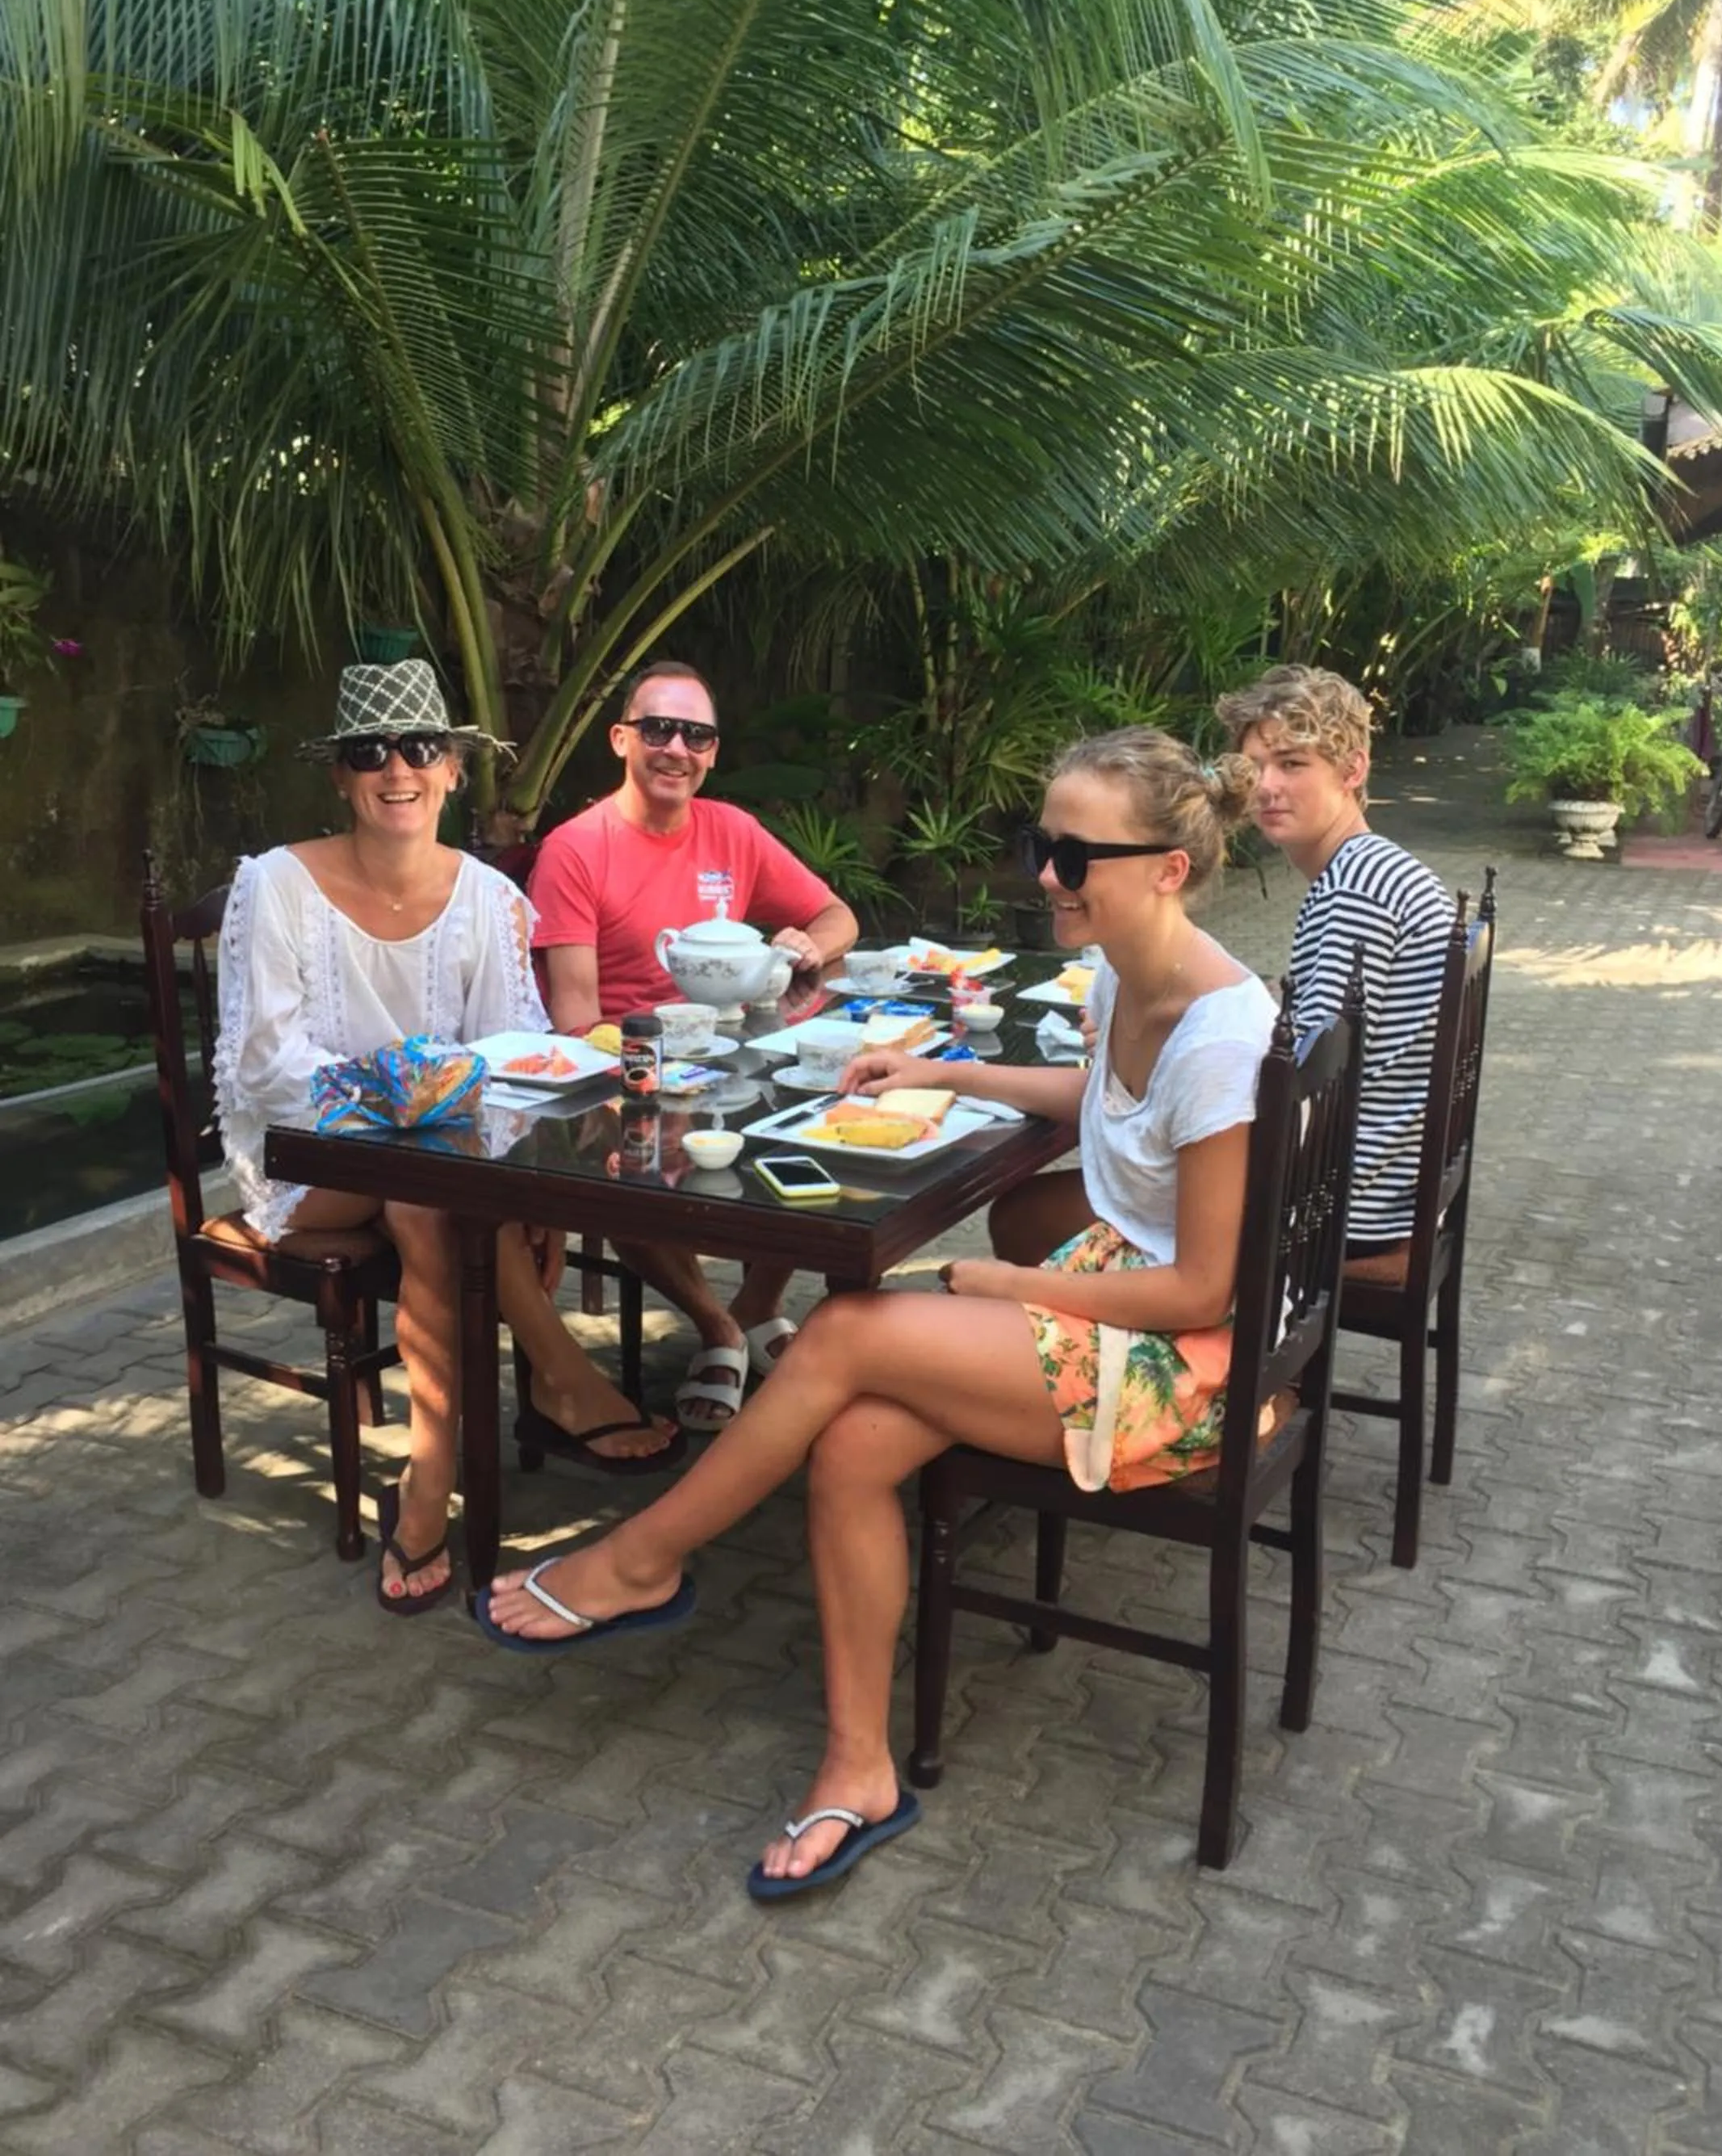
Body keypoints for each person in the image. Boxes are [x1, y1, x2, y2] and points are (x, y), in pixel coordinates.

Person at [480, 728, 1291, 1898]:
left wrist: (1008, 1282)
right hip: (1122, 1297)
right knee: (855, 1440)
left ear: (1169, 868)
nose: (1045, 875)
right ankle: (856, 1769)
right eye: (1041, 844)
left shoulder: (1220, 1030)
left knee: (847, 1331)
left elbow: (1204, 1290)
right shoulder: (1128, 964)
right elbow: (1106, 1093)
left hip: (1189, 1363)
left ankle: (640, 1558)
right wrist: (943, 1071)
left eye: (1074, 857)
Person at [214, 660, 682, 1618]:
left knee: (430, 1195)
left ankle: (435, 1475)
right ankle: (553, 1383)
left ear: (454, 770)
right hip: (307, 1159)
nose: (398, 770)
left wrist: (510, 1169)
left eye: (422, 748)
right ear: (340, 775)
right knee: (431, 1190)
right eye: (370, 753)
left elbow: (509, 1054)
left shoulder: (488, 897)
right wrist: (396, 1093)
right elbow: (264, 1064)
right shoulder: (275, 885)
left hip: (440, 1161)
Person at [530, 661, 858, 1429]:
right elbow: (575, 1019)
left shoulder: (731, 830)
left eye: (696, 735)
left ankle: (756, 1305)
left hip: (738, 1060)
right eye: (658, 730)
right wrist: (647, 1088)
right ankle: (718, 1329)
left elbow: (838, 915)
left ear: (712, 752)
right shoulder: (575, 849)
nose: (676, 748)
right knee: (627, 1172)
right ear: (622, 740)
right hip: (627, 1070)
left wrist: (807, 947)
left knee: (821, 1135)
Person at [1215, 663, 1453, 1258]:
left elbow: (1306, 1077)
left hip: (1346, 1208)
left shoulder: (1354, 892)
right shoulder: (1372, 869)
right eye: (1255, 767)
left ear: (1353, 770)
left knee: (1051, 1210)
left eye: (1292, 764)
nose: (1266, 787)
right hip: (1387, 1185)